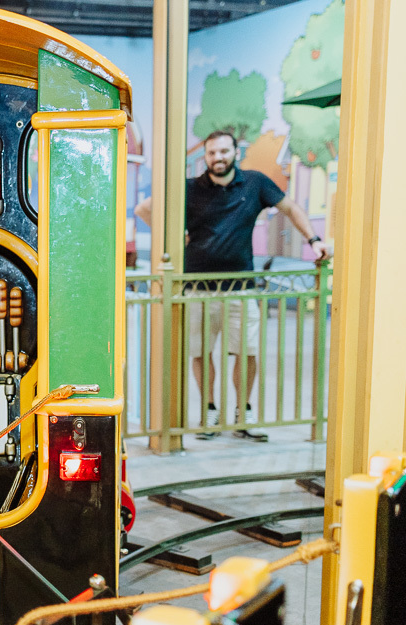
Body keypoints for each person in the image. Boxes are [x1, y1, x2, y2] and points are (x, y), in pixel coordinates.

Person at [135, 130, 331, 441]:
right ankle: (209, 411)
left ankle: (243, 413)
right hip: (197, 287)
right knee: (200, 352)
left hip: (241, 286)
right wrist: (174, 236)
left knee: (247, 350)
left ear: (235, 152)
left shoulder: (255, 183)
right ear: (207, 157)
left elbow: (291, 209)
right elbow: (144, 208)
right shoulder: (190, 188)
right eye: (212, 153)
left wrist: (315, 241)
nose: (218, 158)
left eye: (224, 151)